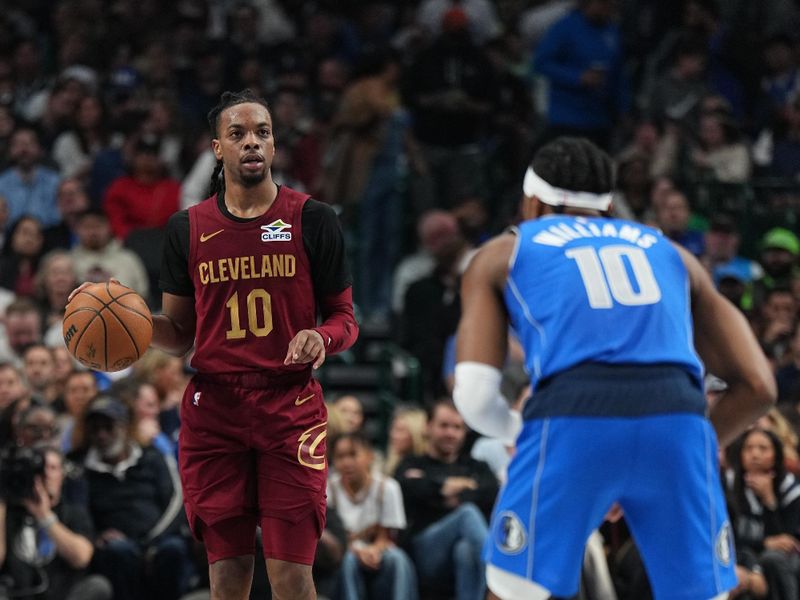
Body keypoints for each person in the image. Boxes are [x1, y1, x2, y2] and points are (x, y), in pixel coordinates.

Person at [453, 136, 776, 600]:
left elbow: (475, 397)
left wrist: (525, 434)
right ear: (606, 207)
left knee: (514, 590)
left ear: (530, 201)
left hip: (572, 414)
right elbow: (759, 387)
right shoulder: (671, 251)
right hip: (678, 418)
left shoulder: (505, 251)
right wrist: (678, 446)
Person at [71, 88, 358, 600]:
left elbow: (344, 317)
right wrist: (130, 318)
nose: (252, 142)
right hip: (215, 407)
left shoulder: (313, 218)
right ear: (217, 149)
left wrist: (321, 336)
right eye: (238, 133)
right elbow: (180, 333)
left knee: (291, 575)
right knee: (227, 577)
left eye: (262, 133)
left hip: (288, 404)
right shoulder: (187, 228)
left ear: (273, 147)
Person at [395, 398, 498, 600]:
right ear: (428, 426)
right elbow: (409, 488)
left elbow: (492, 494)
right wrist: (451, 487)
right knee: (467, 514)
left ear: (465, 431)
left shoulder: (478, 467)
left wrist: (437, 490)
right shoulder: (411, 463)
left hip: (465, 552)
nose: (451, 433)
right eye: (444, 426)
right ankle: (498, 578)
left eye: (457, 427)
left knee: (465, 550)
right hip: (424, 553)